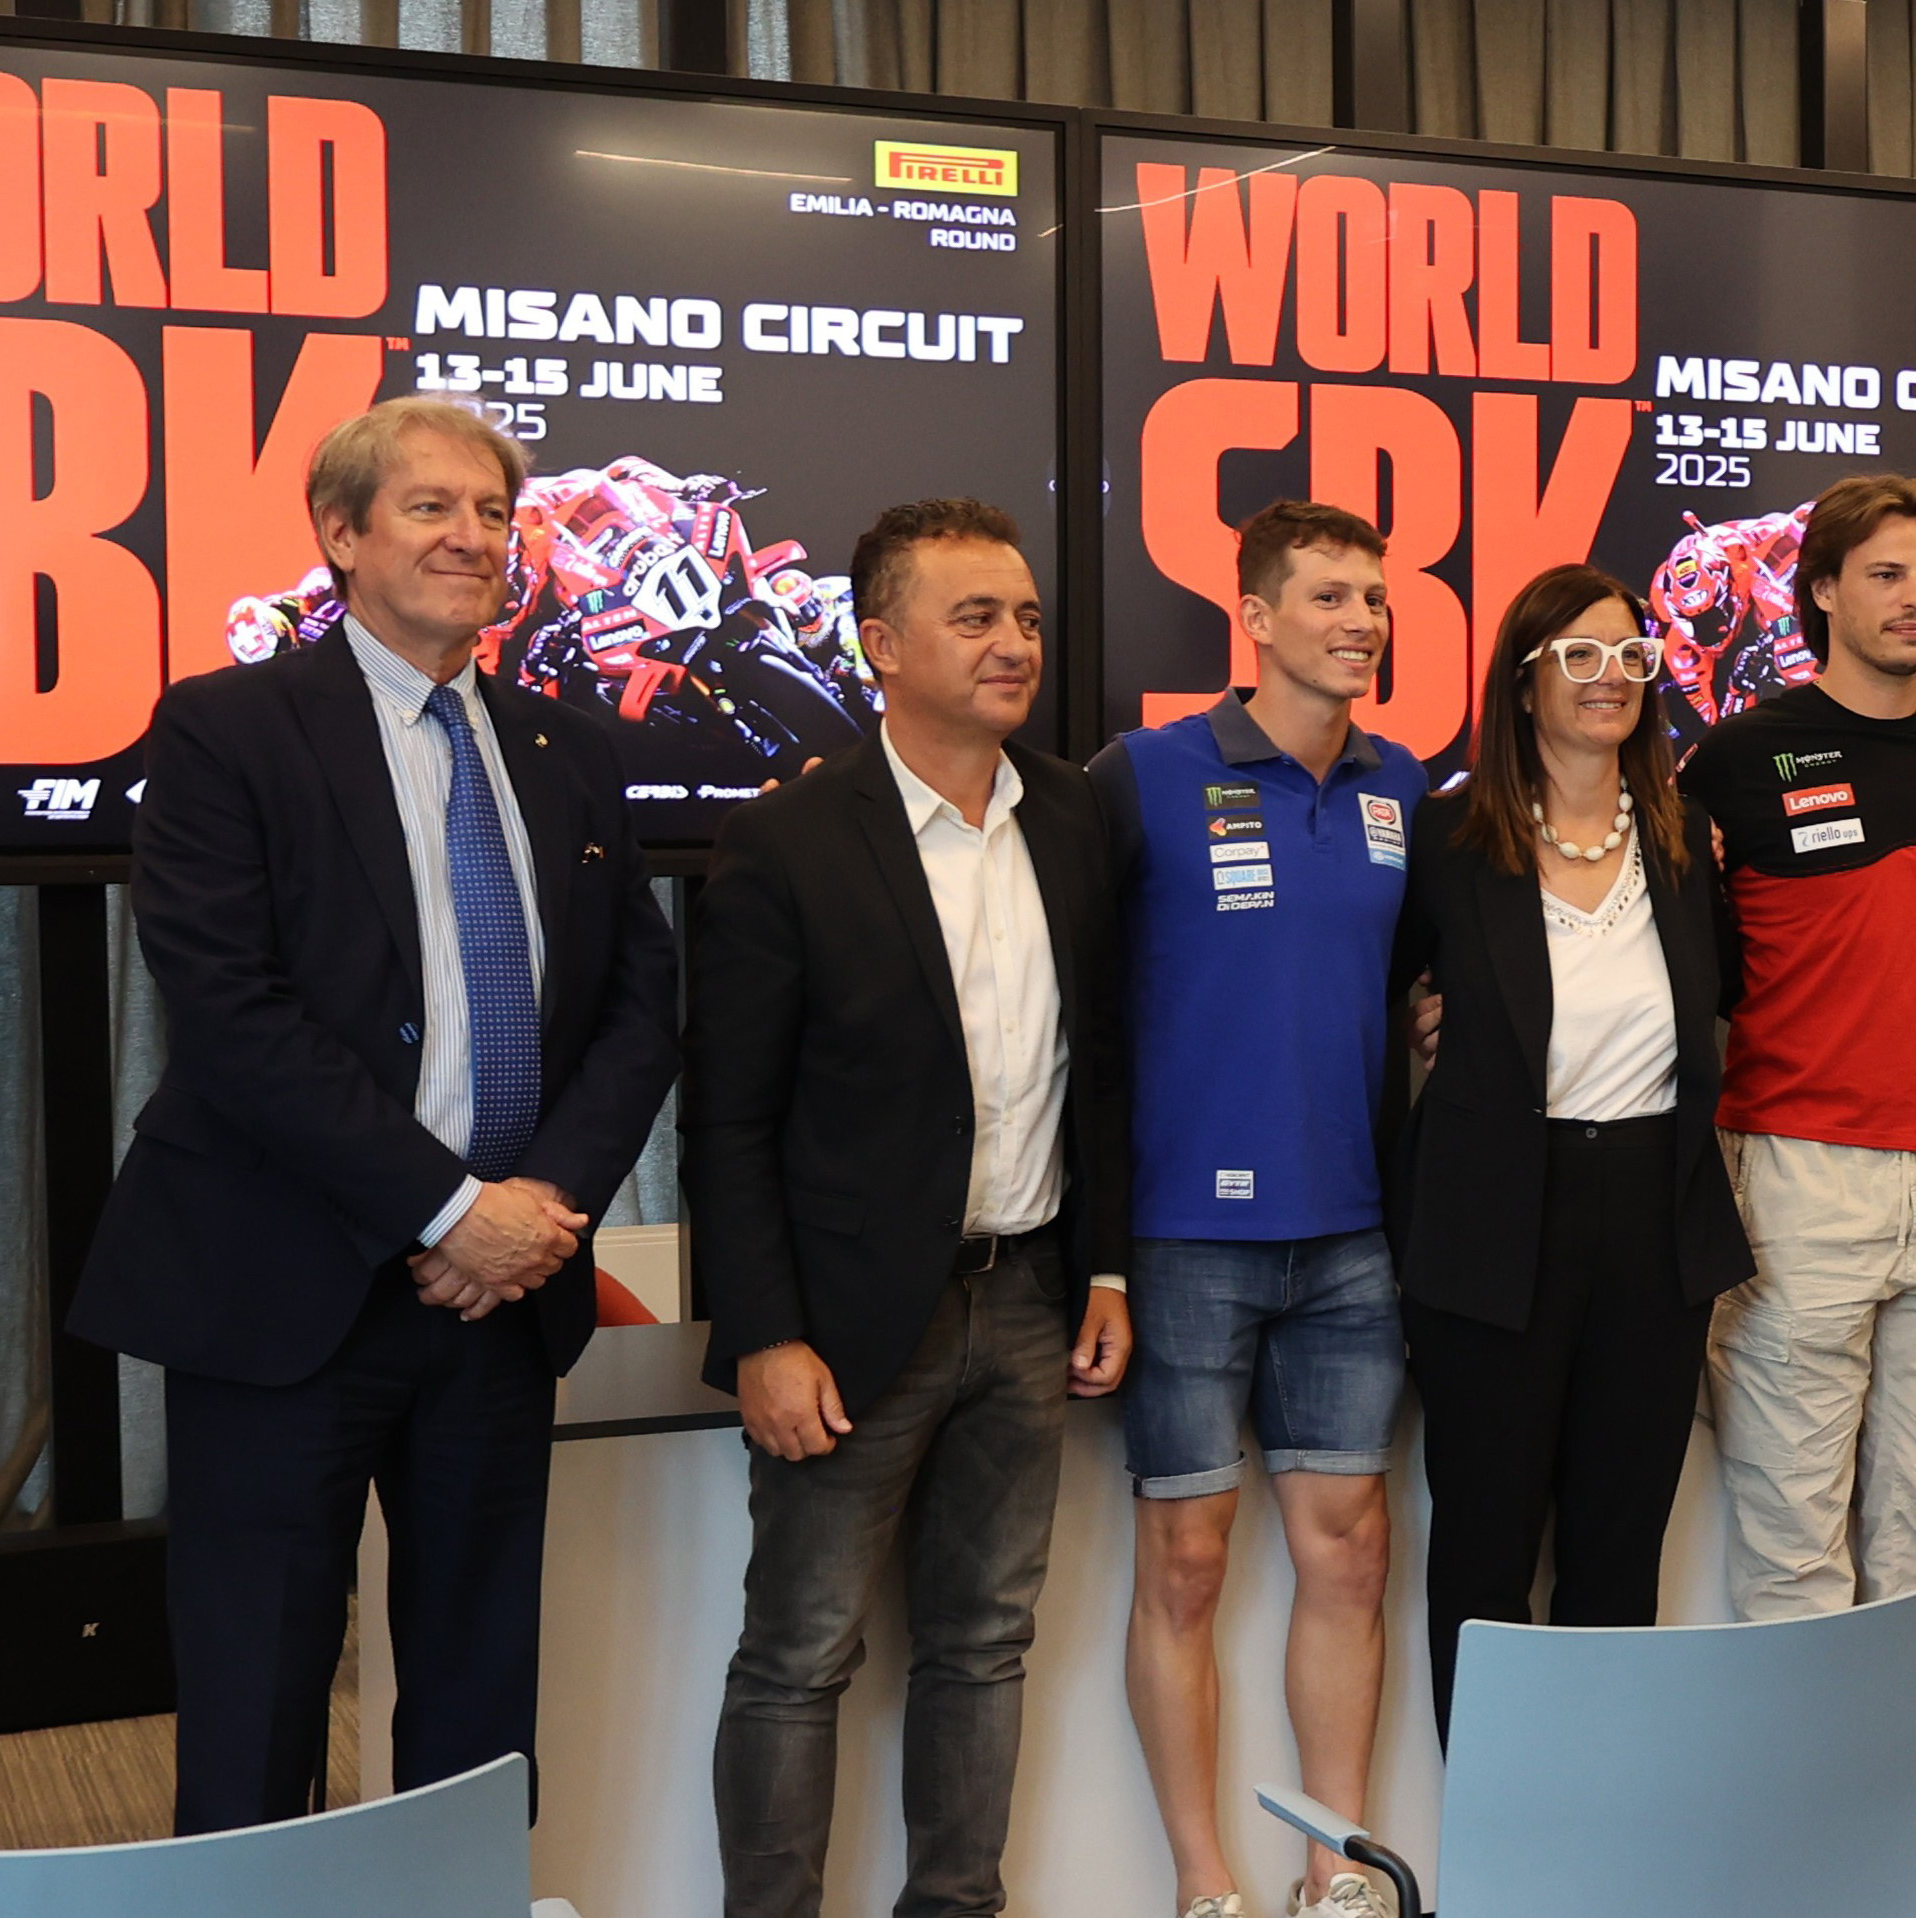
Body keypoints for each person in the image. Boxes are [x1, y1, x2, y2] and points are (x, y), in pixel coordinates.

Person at [71, 397, 679, 1832]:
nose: (474, 537)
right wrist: (451, 1208)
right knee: (258, 1697)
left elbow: (638, 1004)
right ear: (340, 535)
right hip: (281, 1287)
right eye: (431, 507)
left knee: (479, 1700)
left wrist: (535, 1217)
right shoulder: (228, 728)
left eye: (494, 512)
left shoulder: (571, 747)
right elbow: (231, 1010)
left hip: (499, 1303)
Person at [690, 498, 1135, 1918]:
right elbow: (728, 1118)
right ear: (882, 644)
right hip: (843, 1324)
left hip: (1030, 1300)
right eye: (976, 617)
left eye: (1026, 617)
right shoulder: (788, 839)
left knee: (985, 1642)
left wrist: (1107, 1269)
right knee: (800, 1653)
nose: (1016, 644)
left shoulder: (1074, 814)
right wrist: (765, 1333)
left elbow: (1101, 1061)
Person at [1091, 502, 1426, 1918]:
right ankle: (1203, 1884)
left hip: (1354, 1234)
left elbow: (1418, 978)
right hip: (1182, 1236)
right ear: (1257, 616)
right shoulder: (1142, 774)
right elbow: (1076, 1002)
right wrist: (1098, 1257)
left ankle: (1335, 1872)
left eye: (1375, 597)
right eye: (1330, 595)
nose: (1362, 620)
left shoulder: (1405, 784)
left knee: (1351, 1551)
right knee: (1186, 1560)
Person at [1388, 564, 1750, 1738]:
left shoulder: (1684, 839)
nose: (1613, 677)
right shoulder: (1448, 839)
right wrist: (1428, 1020)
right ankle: (1498, 1829)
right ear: (1523, 680)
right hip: (1493, 1225)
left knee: (1617, 1552)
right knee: (1485, 1555)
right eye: (1581, 656)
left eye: (1632, 656)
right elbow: (1382, 998)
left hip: (1652, 1223)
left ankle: (1600, 1825)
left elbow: (1726, 993)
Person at [1678, 471, 1916, 1621]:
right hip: (1799, 1176)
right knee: (1794, 1549)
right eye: (1886, 575)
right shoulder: (1736, 757)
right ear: (1820, 590)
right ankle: (1805, 1753)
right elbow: (1690, 962)